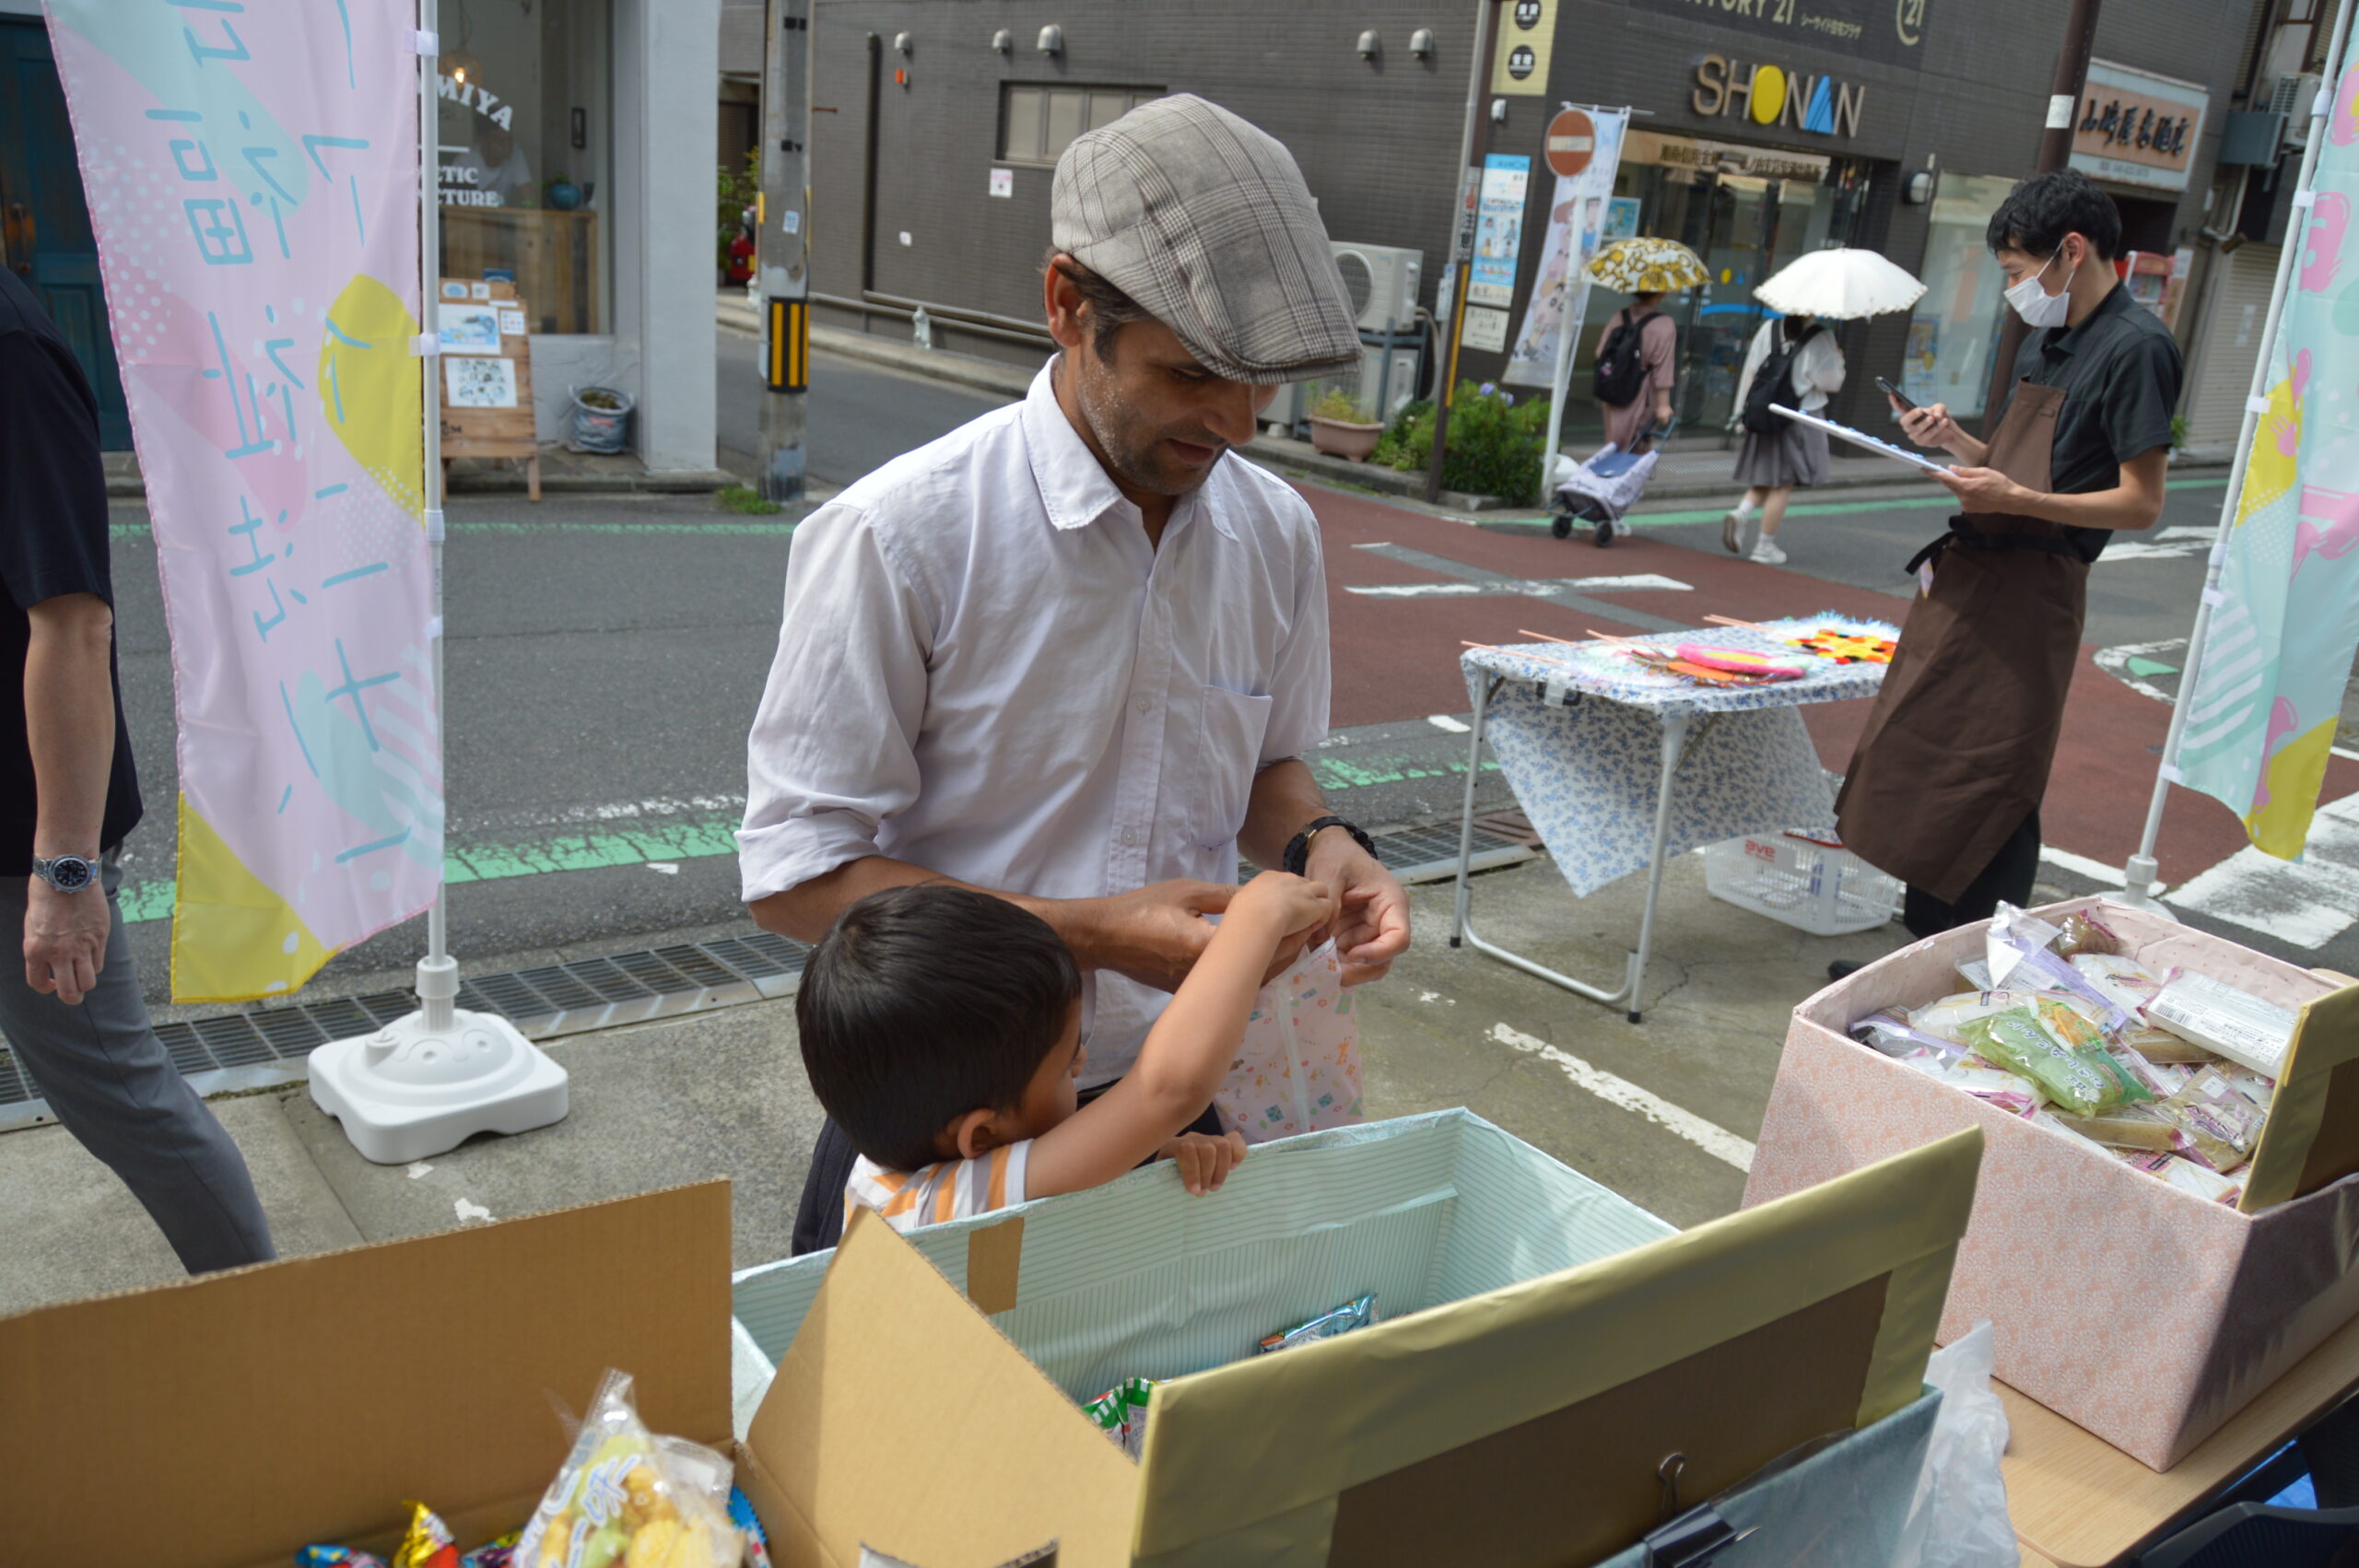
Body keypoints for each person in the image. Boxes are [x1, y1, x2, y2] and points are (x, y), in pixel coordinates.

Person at [738, 94, 1412, 1256]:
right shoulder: (903, 536)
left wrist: (1320, 843)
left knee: (1141, 1421)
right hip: (946, 1121)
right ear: (1067, 306)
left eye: (1263, 383)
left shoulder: (1275, 533)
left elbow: (1266, 767)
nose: (1238, 422)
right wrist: (1088, 935)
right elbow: (798, 878)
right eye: (1193, 371)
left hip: (1177, 1095)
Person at [1831, 170, 2181, 971]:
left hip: (2035, 593)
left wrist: (2014, 492)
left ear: (2073, 249)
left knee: (1994, 780)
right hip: (1978, 578)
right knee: (1925, 753)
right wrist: (1954, 444)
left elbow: (2140, 502)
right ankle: (1922, 955)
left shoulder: (2138, 349)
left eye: (2018, 273)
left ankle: (1971, 968)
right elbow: (2019, 466)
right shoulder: (2053, 338)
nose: (2014, 291)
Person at [0, 268, 276, 1273]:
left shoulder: (13, 349)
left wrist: (65, 874)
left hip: (23, 835)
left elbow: (72, 623)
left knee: (113, 1088)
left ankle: (262, 1318)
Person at [804, 873, 1334, 1234]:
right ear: (981, 1135)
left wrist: (1143, 1159)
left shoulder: (892, 1167)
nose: (1081, 1064)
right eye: (1064, 1068)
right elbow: (1168, 1090)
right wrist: (1253, 920)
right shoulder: (934, 1208)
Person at [1723, 310, 1845, 564]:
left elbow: (1751, 371)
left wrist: (1740, 414)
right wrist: (1839, 360)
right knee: (1783, 483)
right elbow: (1831, 382)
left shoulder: (1769, 327)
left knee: (1768, 474)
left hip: (1765, 411)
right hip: (1800, 418)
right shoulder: (1821, 336)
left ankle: (1742, 512)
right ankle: (1763, 547)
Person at [1595, 290, 1675, 454]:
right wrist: (1664, 405)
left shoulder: (1619, 316)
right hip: (1641, 392)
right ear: (1661, 294)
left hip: (1613, 388)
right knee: (1636, 445)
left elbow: (1600, 353)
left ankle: (1608, 475)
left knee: (1612, 442)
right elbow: (1663, 369)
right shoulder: (1665, 324)